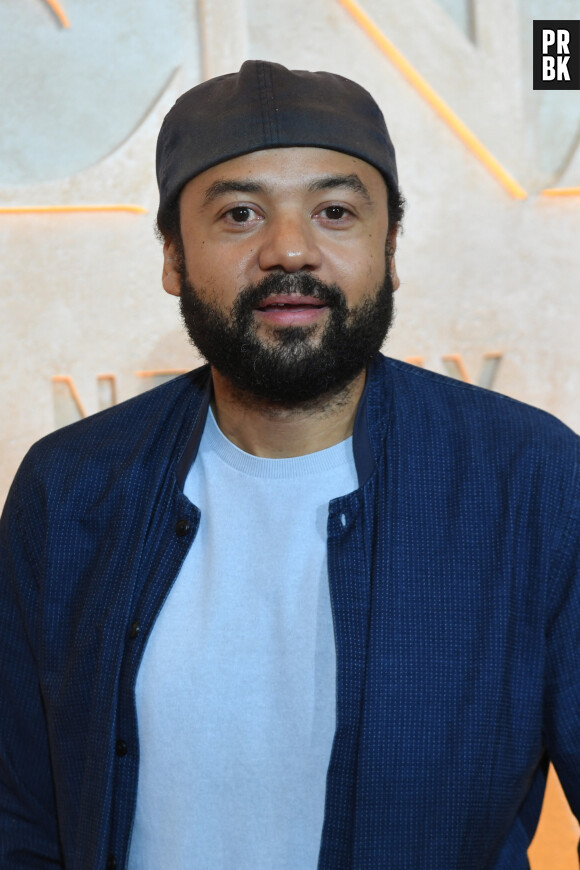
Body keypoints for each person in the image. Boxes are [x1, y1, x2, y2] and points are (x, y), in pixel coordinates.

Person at [0, 59, 579, 870]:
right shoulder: (69, 488)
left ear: (390, 247)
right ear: (172, 256)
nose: (290, 250)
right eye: (239, 213)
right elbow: (21, 814)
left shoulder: (533, 481)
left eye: (335, 211)